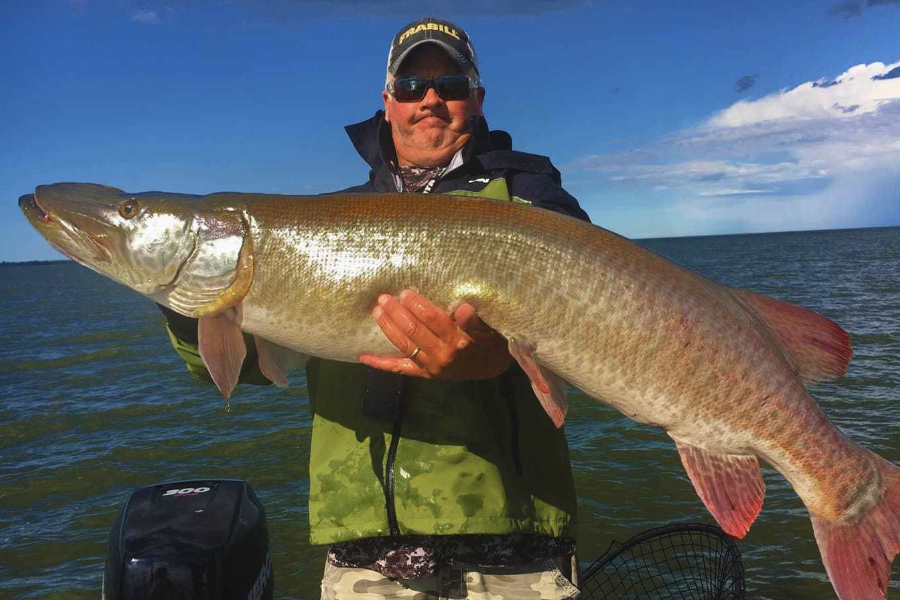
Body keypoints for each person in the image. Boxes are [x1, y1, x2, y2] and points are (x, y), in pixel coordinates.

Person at [160, 17, 590, 600]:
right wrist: (189, 299)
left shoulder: (533, 202)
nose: (430, 99)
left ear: (477, 100)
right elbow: (249, 365)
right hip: (370, 554)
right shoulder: (329, 220)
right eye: (412, 86)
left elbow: (589, 326)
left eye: (451, 85)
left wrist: (497, 359)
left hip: (515, 545)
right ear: (388, 103)